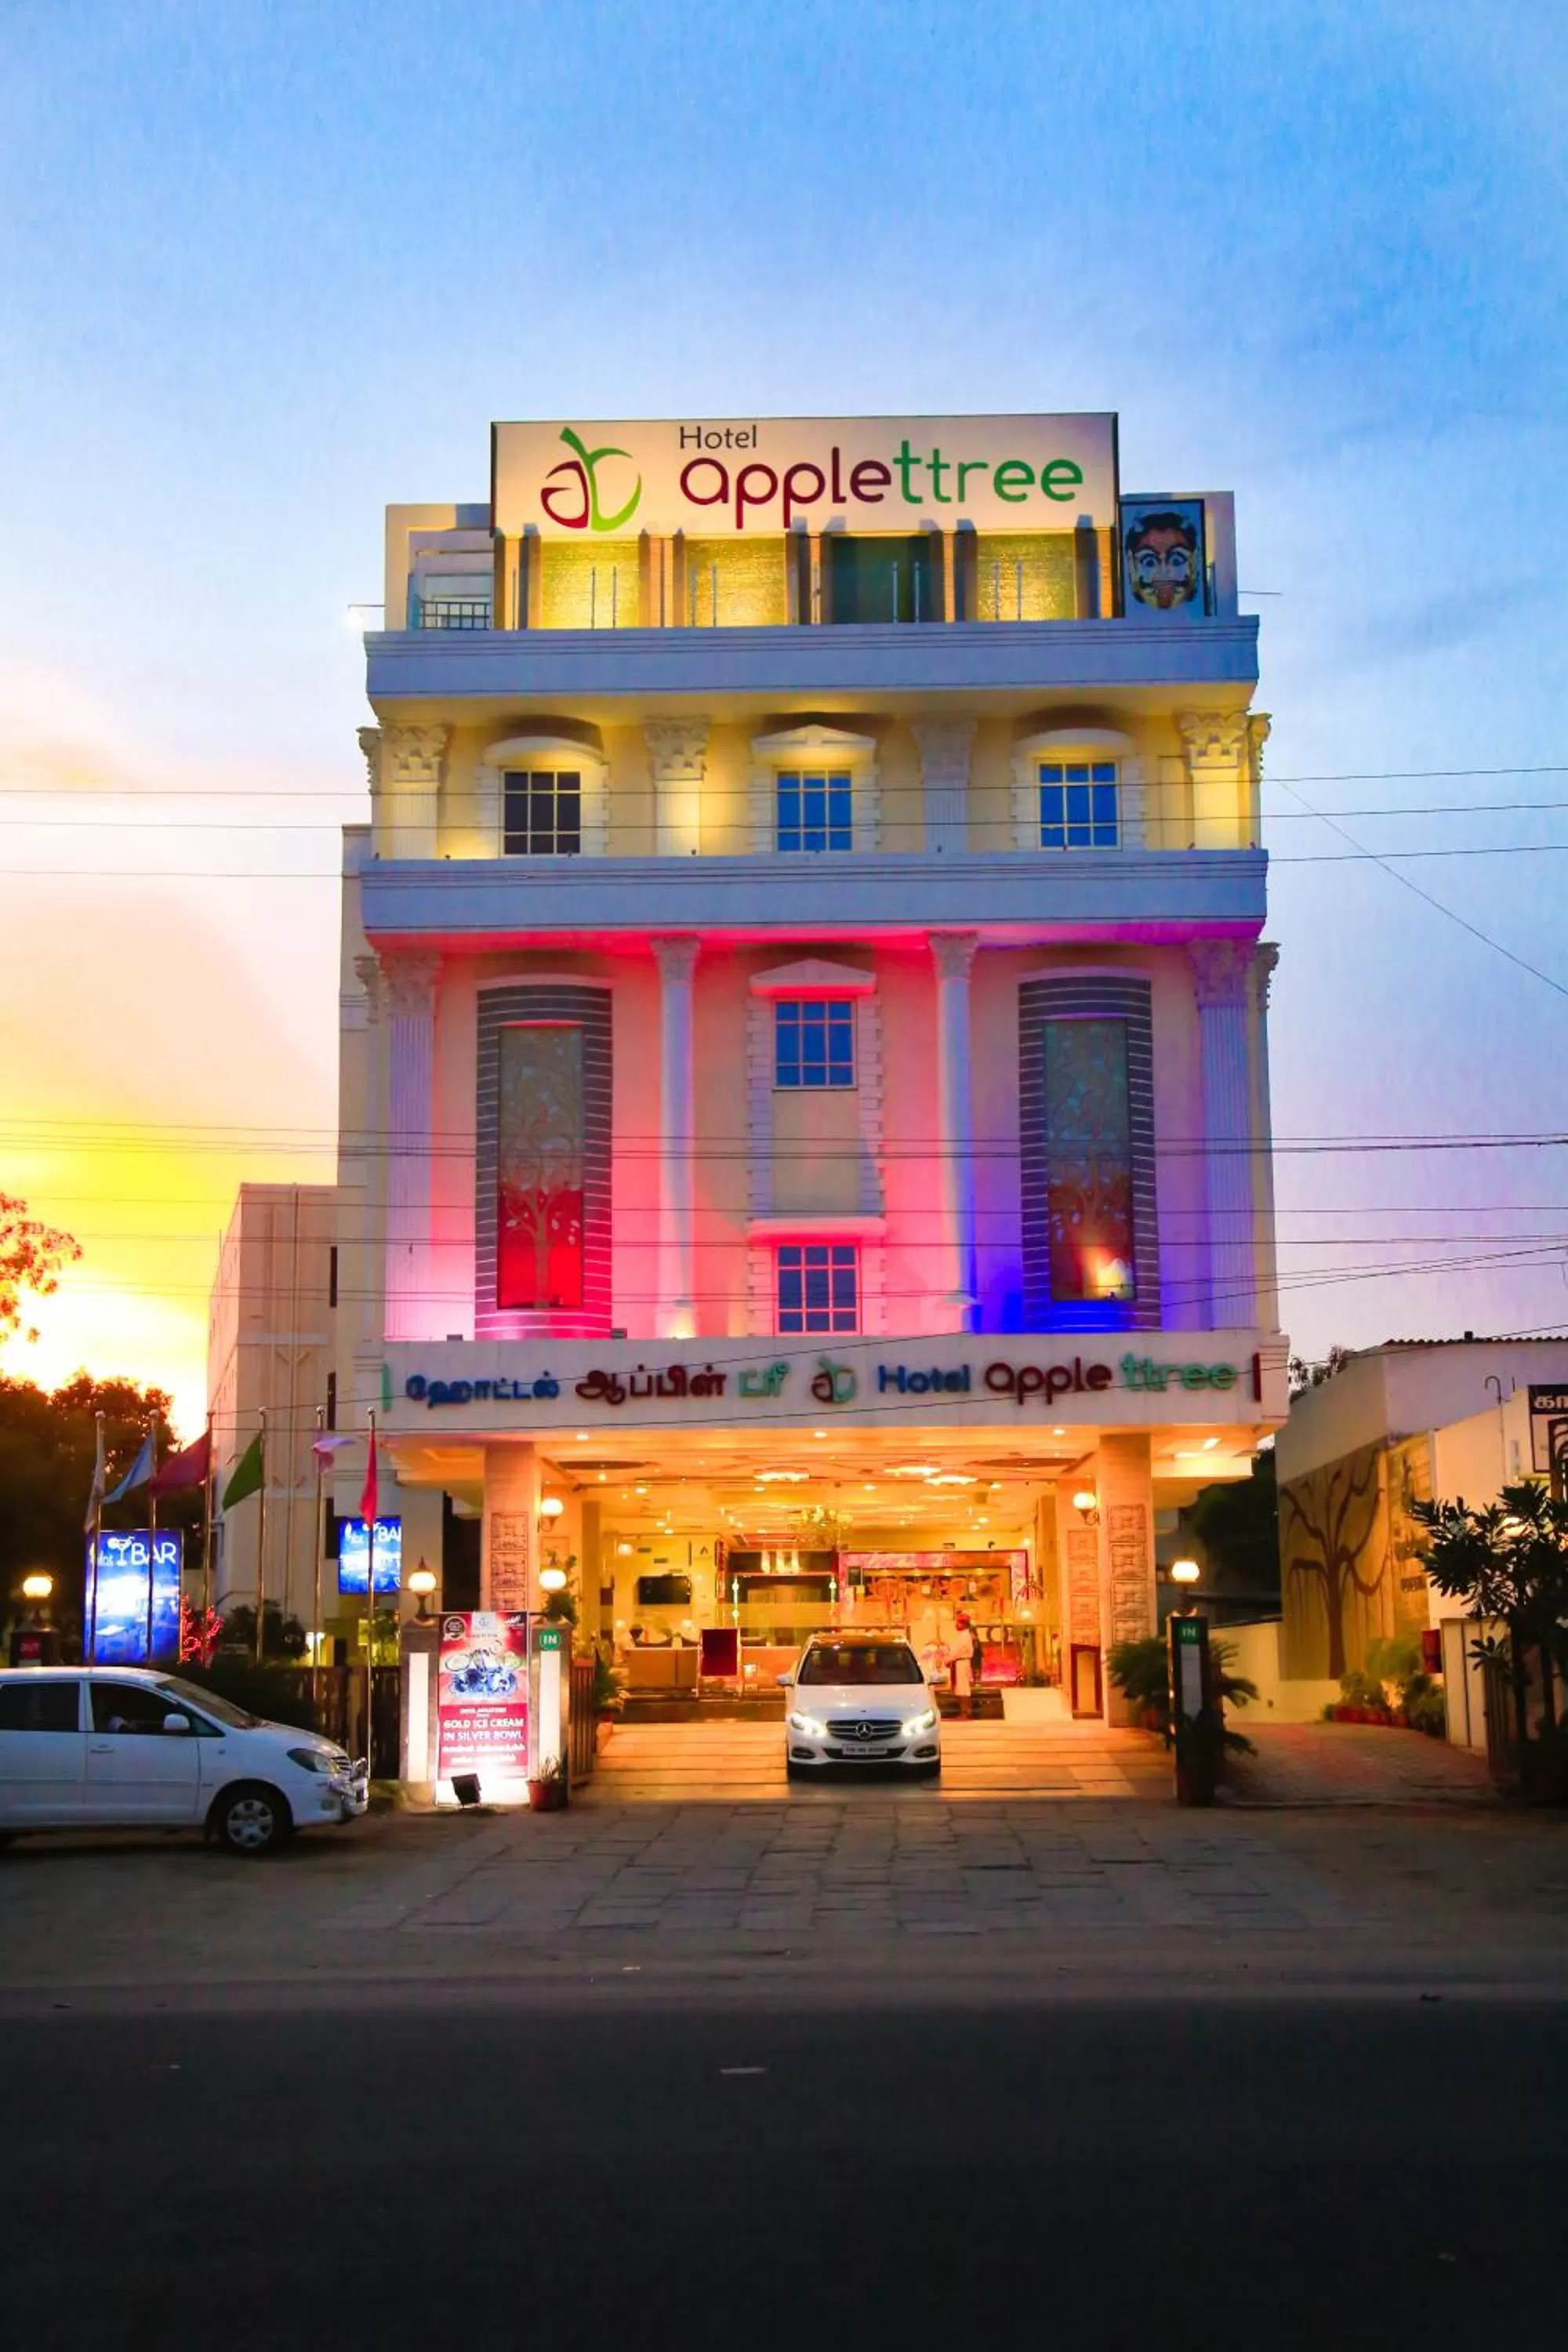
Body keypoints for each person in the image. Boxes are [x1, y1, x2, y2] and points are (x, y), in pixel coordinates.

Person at [949, 1613, 976, 1720]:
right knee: (960, 1688)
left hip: (961, 1663)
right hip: (959, 1663)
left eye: (958, 1623)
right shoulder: (962, 1635)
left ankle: (966, 1712)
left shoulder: (965, 1636)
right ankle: (964, 1712)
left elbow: (956, 1652)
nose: (956, 1625)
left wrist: (948, 1659)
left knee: (963, 1688)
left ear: (964, 1624)